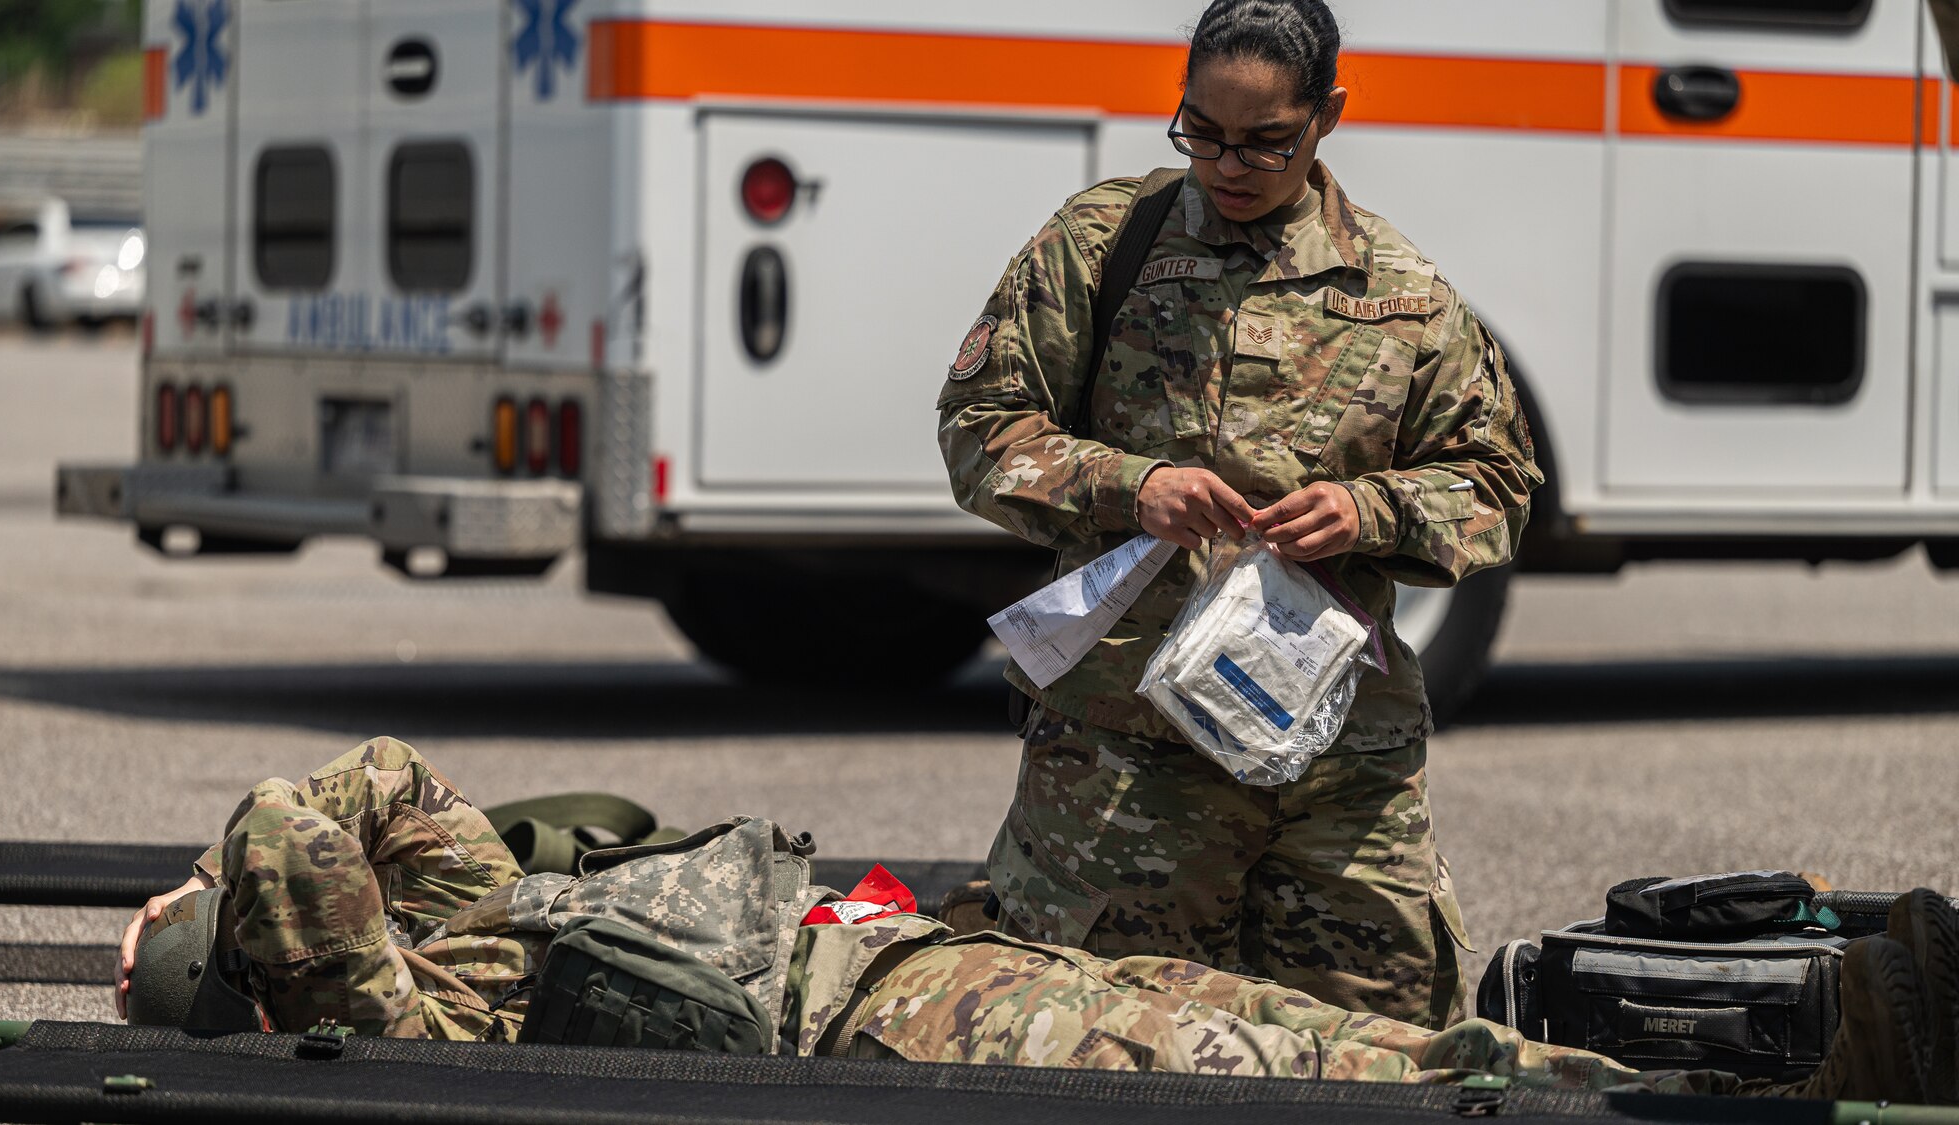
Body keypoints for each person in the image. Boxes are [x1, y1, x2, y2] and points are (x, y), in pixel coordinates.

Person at [115, 738, 1958, 1105]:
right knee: (1349, 1081)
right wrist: (205, 900)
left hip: (922, 973)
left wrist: (203, 916)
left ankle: (1848, 1035)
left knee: (1351, 1052)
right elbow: (293, 816)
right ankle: (1808, 1073)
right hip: (901, 1026)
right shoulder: (410, 1036)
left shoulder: (458, 921)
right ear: (284, 965)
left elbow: (360, 775)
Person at [935, 0, 1540, 1027]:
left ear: (1327, 117)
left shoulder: (1399, 293)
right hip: (1127, 762)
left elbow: (1495, 484)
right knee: (1098, 1052)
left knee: (1380, 1046)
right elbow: (979, 425)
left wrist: (1368, 511)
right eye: (1201, 132)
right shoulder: (1101, 246)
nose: (1228, 163)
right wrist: (1129, 484)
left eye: (1266, 140)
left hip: (1334, 772)